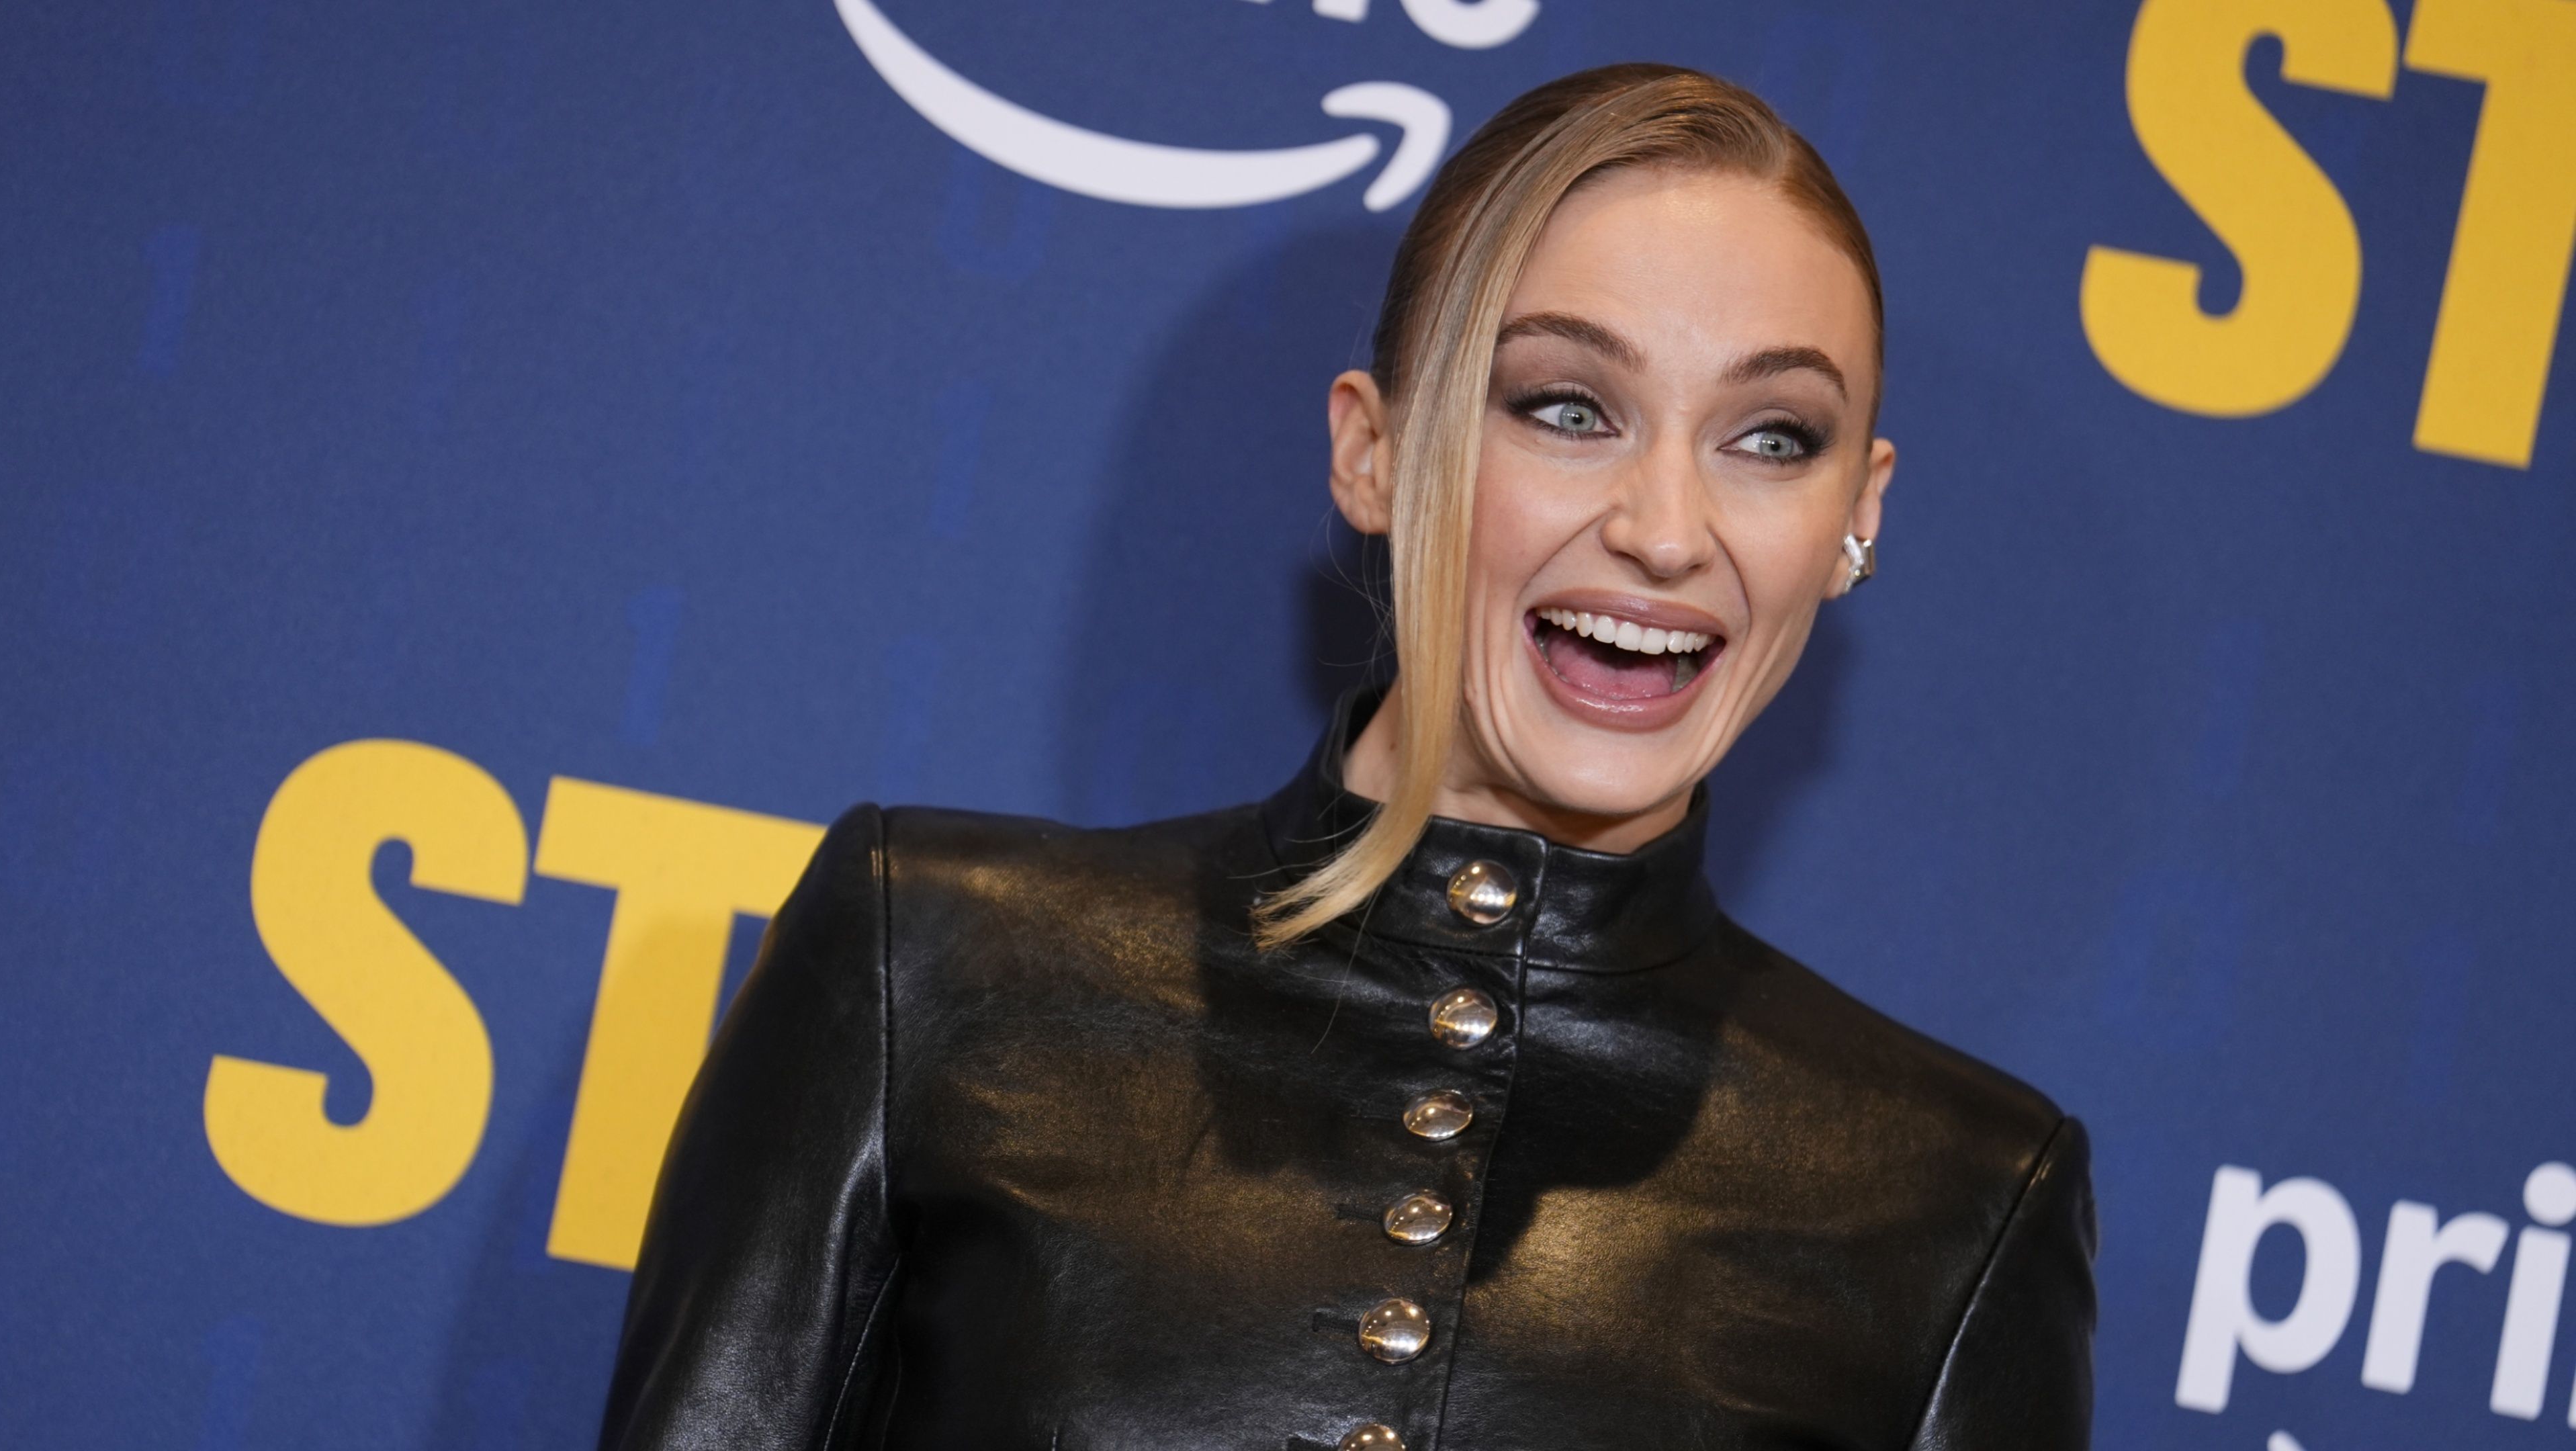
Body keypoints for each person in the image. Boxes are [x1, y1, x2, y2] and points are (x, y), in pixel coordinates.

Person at [595, 63, 2095, 1451]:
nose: (1664, 531)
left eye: (1771, 437)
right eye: (1567, 408)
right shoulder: (927, 959)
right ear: (1371, 453)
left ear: (1857, 517)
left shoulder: (1958, 1201)